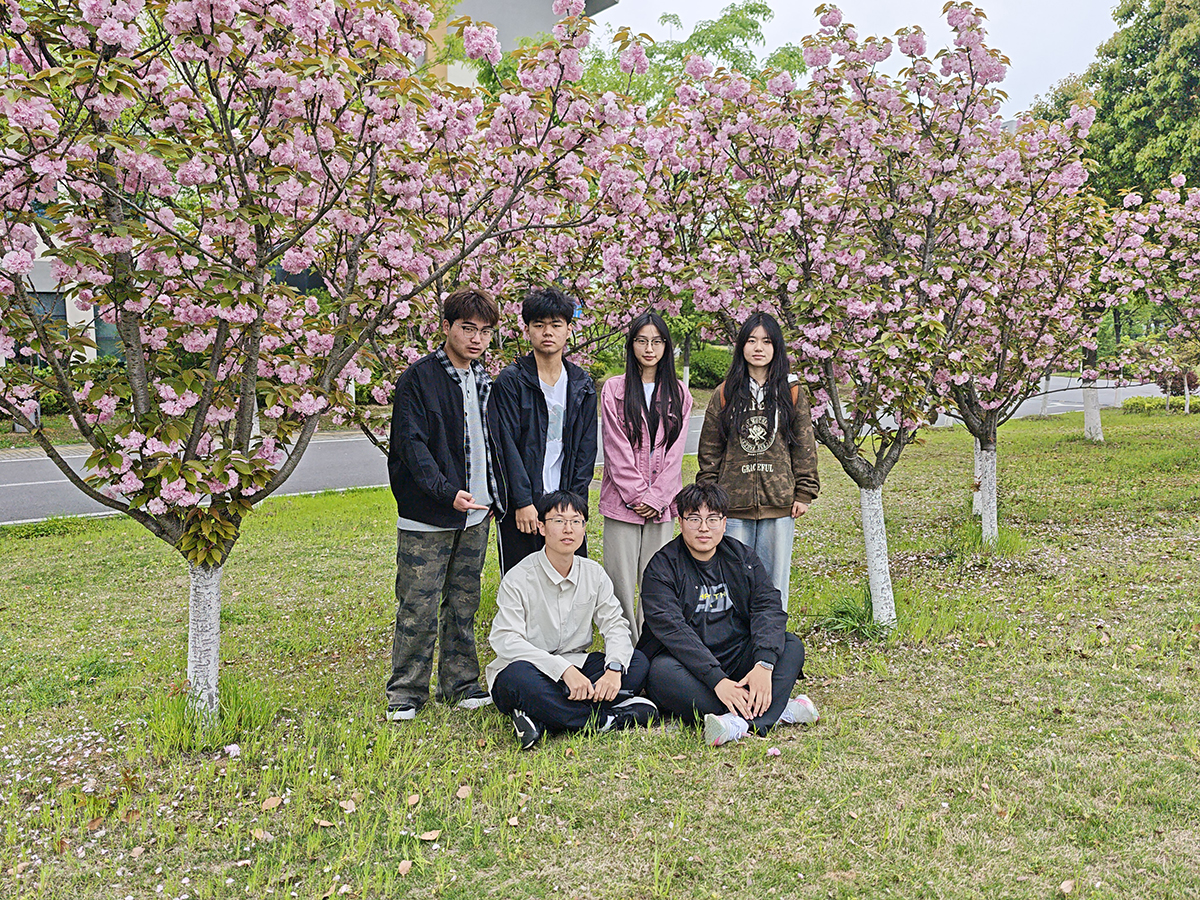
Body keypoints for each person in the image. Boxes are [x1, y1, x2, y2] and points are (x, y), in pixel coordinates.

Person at [384, 288, 504, 722]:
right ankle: (406, 692)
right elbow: (412, 446)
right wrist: (444, 491)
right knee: (417, 605)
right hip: (429, 514)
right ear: (447, 327)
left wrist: (495, 495)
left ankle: (461, 683)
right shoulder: (419, 379)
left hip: (477, 513)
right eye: (467, 329)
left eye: (485, 332)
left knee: (463, 602)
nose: (476, 339)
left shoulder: (484, 379)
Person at [638, 482, 818, 747]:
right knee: (660, 672)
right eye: (694, 519)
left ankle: (738, 722)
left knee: (790, 645)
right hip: (689, 665)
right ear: (681, 522)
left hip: (737, 656)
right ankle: (776, 711)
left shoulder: (741, 557)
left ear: (724, 523)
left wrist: (764, 664)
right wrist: (717, 680)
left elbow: (768, 606)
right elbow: (672, 629)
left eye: (712, 519)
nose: (704, 528)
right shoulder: (662, 567)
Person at [487, 491, 659, 749]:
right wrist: (562, 670)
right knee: (515, 678)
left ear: (584, 528)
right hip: (531, 668)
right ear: (542, 527)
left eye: (576, 521)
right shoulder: (519, 577)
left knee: (636, 663)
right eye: (558, 521)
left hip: (576, 664)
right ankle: (606, 719)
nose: (568, 529)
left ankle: (542, 717)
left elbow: (615, 624)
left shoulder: (593, 573)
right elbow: (505, 640)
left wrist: (613, 669)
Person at [696, 311, 819, 611]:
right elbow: (710, 450)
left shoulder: (791, 392)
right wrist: (710, 497)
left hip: (779, 504)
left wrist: (804, 492)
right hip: (733, 506)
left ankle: (773, 637)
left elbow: (804, 444)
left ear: (776, 347)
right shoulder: (725, 393)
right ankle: (737, 638)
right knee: (735, 582)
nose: (758, 348)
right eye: (751, 341)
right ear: (741, 347)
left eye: (766, 341)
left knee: (774, 583)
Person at [490, 286, 598, 574]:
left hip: (565, 502)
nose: (547, 332)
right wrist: (522, 501)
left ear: (569, 329)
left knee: (569, 578)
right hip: (524, 505)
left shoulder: (581, 384)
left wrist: (575, 505)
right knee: (522, 579)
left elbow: (586, 450)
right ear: (527, 330)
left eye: (555, 325)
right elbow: (505, 446)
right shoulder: (512, 381)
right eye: (539, 325)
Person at [600, 311, 692, 642]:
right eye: (641, 341)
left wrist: (656, 498)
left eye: (656, 341)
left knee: (657, 579)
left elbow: (676, 454)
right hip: (622, 503)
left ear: (667, 346)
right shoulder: (614, 389)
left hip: (662, 506)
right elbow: (615, 448)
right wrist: (639, 495)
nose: (649, 348)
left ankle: (651, 646)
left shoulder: (680, 393)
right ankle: (623, 647)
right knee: (620, 581)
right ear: (631, 345)